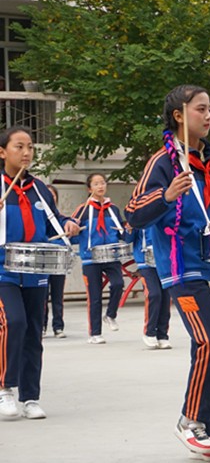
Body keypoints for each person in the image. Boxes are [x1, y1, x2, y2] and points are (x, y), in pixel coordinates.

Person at [125, 84, 210, 462]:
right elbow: (134, 212)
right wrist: (167, 195)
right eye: (200, 108)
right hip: (182, 269)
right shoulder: (163, 163)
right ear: (178, 115)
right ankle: (190, 422)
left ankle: (202, 428)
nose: (208, 115)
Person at [0, 126, 80, 419]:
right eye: (19, 146)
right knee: (14, 322)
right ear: (2, 152)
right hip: (3, 271)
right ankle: (5, 388)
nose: (26, 152)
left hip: (36, 271)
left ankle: (30, 397)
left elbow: (53, 221)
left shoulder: (39, 189)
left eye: (30, 147)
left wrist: (68, 223)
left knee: (34, 331)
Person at [71, 173, 127, 344]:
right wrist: (73, 231)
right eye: (96, 184)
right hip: (91, 258)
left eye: (102, 183)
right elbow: (73, 235)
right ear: (90, 189)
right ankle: (95, 333)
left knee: (118, 284)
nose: (100, 186)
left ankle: (110, 315)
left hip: (111, 255)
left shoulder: (113, 209)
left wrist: (128, 229)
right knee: (94, 296)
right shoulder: (82, 210)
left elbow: (120, 232)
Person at [128, 223, 171, 350]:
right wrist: (129, 230)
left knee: (166, 297)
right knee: (154, 294)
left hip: (164, 258)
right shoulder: (139, 215)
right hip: (145, 261)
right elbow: (128, 239)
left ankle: (162, 334)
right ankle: (150, 332)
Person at [42, 184, 68, 338]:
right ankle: (42, 326)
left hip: (57, 261)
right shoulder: (38, 217)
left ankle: (58, 326)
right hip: (42, 262)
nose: (50, 197)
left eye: (53, 195)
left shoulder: (60, 219)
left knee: (58, 296)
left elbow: (68, 240)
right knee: (42, 296)